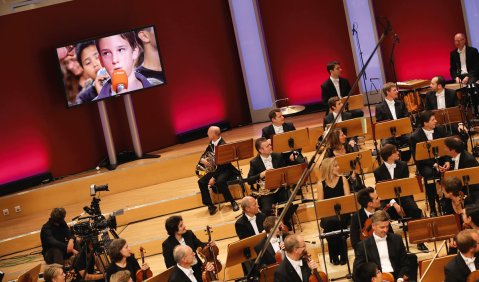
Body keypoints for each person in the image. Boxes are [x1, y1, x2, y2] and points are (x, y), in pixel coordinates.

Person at [374, 144, 429, 252]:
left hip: (404, 196)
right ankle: (393, 245)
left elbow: (406, 187)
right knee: (382, 215)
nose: (398, 153)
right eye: (395, 152)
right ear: (389, 156)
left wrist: (399, 203)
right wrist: (395, 204)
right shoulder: (378, 171)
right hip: (388, 199)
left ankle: (419, 241)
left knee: (415, 210)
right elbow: (383, 191)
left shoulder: (403, 165)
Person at [246, 137, 297, 227]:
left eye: (270, 144)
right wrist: (261, 174)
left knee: (292, 203)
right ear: (261, 150)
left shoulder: (278, 156)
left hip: (280, 189)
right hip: (266, 193)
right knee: (266, 209)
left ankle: (284, 222)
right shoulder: (254, 162)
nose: (271, 146)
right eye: (267, 146)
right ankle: (272, 227)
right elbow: (249, 180)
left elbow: (285, 171)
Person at [353, 210, 414, 282]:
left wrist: (400, 278)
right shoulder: (363, 245)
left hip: (397, 276)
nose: (385, 230)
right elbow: (357, 271)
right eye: (382, 227)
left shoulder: (397, 239)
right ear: (373, 226)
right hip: (378, 278)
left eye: (387, 227)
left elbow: (405, 262)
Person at [410, 110, 449, 216]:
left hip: (441, 160)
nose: (436, 121)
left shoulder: (440, 130)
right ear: (425, 123)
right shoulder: (415, 137)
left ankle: (447, 203)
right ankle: (432, 207)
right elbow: (417, 157)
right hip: (426, 164)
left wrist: (447, 161)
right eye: (433, 120)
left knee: (451, 170)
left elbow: (447, 148)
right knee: (429, 175)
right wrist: (434, 165)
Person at [95, 32, 151, 100]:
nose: (114, 60)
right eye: (106, 53)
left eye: (120, 50)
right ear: (101, 60)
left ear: (135, 51)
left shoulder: (155, 84)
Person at [197, 126, 239, 215]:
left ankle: (232, 202)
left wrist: (213, 177)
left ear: (213, 134)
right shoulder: (211, 143)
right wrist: (202, 160)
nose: (207, 134)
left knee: (220, 181)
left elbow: (224, 165)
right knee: (201, 182)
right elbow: (205, 154)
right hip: (215, 169)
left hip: (225, 169)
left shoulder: (223, 145)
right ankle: (210, 205)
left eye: (208, 133)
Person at [318, 157, 351, 265]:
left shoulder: (343, 179)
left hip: (343, 213)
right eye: (335, 166)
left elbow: (347, 199)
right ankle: (335, 254)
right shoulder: (321, 184)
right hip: (328, 215)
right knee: (329, 222)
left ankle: (342, 254)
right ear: (329, 168)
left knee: (338, 221)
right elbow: (321, 205)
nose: (338, 167)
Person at [350, 187, 393, 252]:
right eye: (377, 198)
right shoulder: (356, 217)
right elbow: (355, 243)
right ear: (370, 204)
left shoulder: (381, 212)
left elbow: (390, 234)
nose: (380, 199)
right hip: (367, 252)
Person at [375, 82, 410, 149]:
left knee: (412, 139)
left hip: (402, 133)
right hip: (388, 135)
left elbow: (406, 118)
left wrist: (400, 131)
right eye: (394, 90)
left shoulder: (401, 103)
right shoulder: (379, 107)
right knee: (385, 144)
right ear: (388, 92)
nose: (397, 92)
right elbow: (380, 124)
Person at [443, 136, 479, 202]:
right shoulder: (456, 156)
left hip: (471, 191)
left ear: (453, 150)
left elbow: (472, 183)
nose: (444, 149)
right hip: (460, 186)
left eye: (446, 147)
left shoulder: (468, 160)